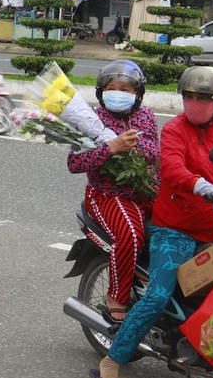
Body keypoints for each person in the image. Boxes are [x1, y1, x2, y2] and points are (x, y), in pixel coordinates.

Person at [91, 66, 213, 378]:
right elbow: (172, 169)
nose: (194, 103)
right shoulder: (176, 128)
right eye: (189, 96)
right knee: (158, 296)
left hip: (211, 228)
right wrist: (204, 186)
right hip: (173, 230)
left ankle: (200, 346)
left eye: (203, 98)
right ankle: (112, 361)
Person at [66, 61, 160, 321]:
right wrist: (111, 148)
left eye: (125, 89)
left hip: (146, 191)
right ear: (101, 92)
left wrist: (133, 149)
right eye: (111, 88)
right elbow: (75, 163)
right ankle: (116, 297)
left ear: (137, 93)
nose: (118, 93)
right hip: (107, 195)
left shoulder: (145, 116)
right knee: (130, 233)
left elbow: (154, 152)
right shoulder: (89, 119)